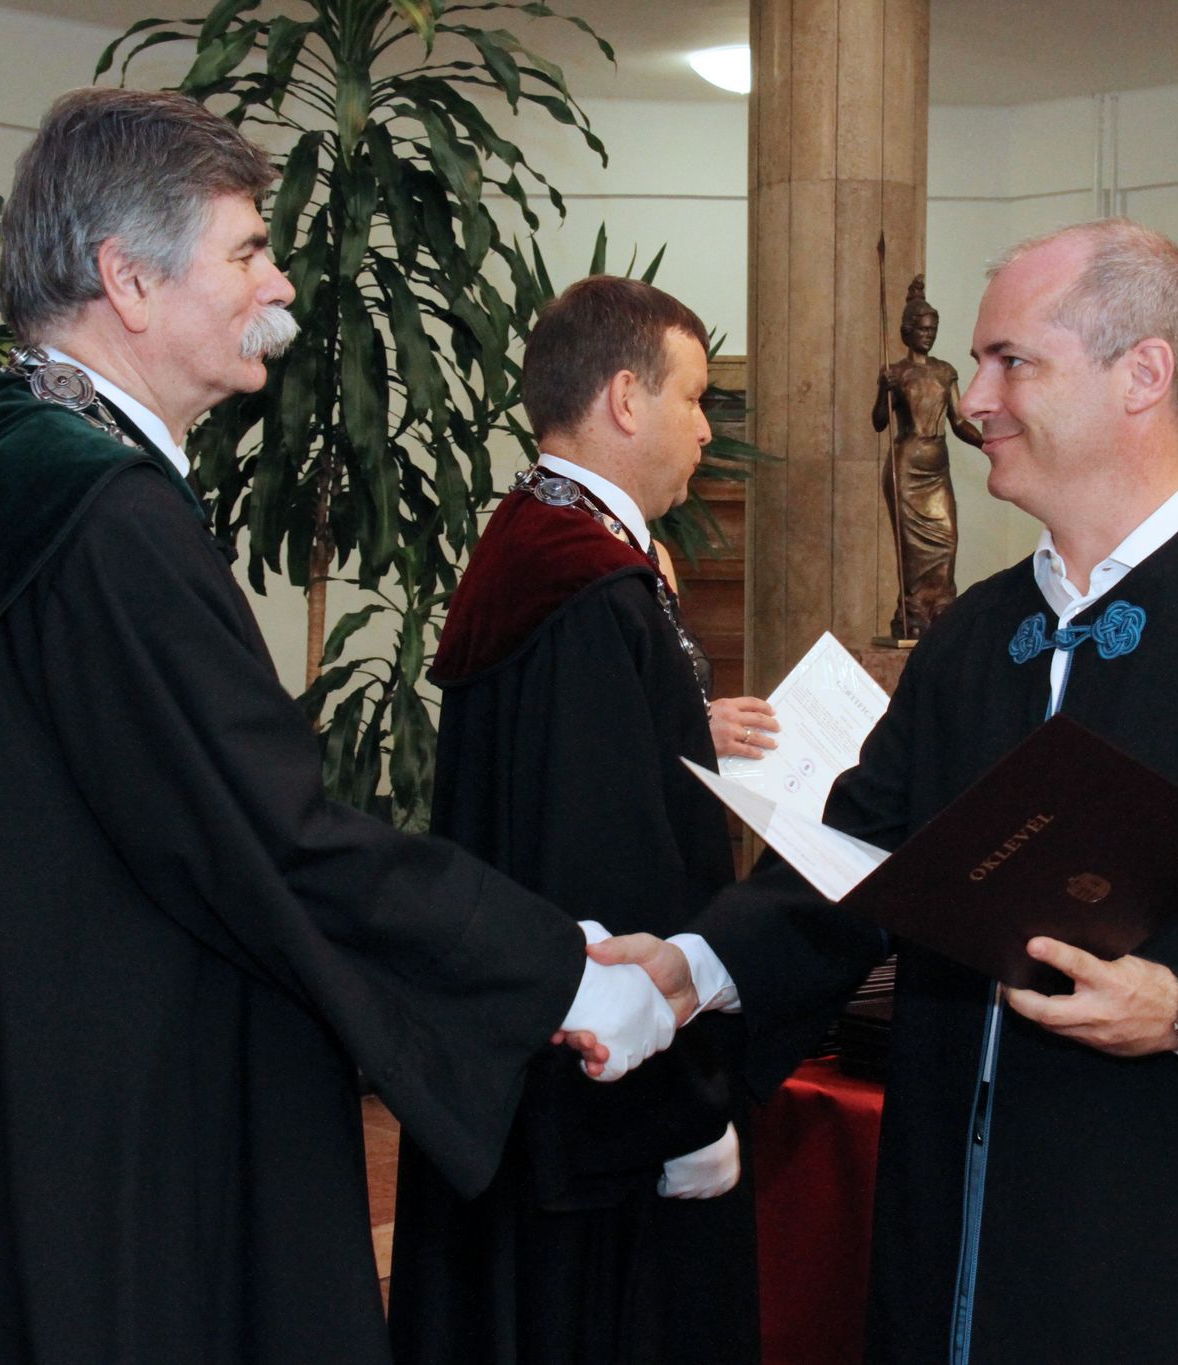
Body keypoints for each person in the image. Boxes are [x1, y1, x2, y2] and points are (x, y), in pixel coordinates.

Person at [0, 88, 672, 1365]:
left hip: (12, 1077)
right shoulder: (100, 511)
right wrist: (557, 970)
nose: (281, 285)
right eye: (249, 248)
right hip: (122, 1121)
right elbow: (270, 836)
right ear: (129, 281)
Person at [598, 219, 1178, 1363]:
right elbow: (857, 859)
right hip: (949, 1208)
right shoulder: (973, 637)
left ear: (1142, 374)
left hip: (1169, 1224)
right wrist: (698, 963)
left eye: (1010, 361)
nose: (974, 399)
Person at [389, 275, 773, 1365]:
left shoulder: (538, 540)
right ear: (624, 398)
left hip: (524, 1066)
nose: (706, 429)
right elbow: (609, 872)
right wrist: (683, 1112)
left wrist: (690, 728)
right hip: (600, 1101)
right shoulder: (586, 584)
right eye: (694, 398)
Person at [874, 274, 986, 636]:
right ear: (907, 332)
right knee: (910, 552)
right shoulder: (896, 373)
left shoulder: (944, 371)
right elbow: (879, 422)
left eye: (932, 329)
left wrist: (986, 443)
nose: (928, 335)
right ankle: (914, 613)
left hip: (937, 465)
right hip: (907, 465)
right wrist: (884, 392)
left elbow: (959, 421)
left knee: (947, 539)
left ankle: (940, 606)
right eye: (922, 329)